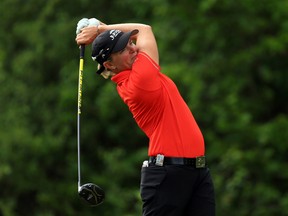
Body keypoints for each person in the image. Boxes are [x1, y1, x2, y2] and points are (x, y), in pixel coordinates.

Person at [76, 20, 215, 216]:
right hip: (168, 175)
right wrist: (99, 29)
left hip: (197, 171)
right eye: (124, 48)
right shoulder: (140, 81)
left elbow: (136, 38)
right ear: (109, 64)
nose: (133, 49)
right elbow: (144, 30)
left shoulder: (134, 71)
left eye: (130, 43)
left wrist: (103, 32)